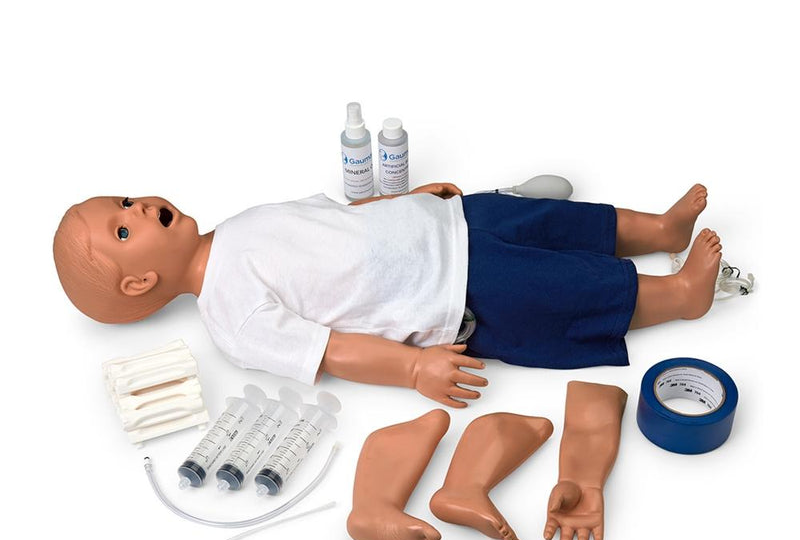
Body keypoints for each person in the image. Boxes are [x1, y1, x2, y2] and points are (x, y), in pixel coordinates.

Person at [53, 182, 721, 407]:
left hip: (447, 223)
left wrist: (407, 198)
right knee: (562, 292)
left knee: (554, 221)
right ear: (139, 283)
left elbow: (338, 217)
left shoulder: (237, 227)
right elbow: (331, 350)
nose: (137, 208)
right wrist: (413, 368)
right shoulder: (232, 317)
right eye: (123, 229)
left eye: (124, 200)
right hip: (451, 291)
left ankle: (657, 230)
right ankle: (678, 296)